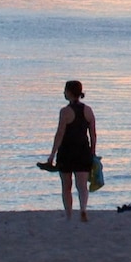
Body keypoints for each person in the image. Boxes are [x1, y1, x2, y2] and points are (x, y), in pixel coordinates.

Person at [44, 80, 97, 222]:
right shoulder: (88, 110)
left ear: (69, 92)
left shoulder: (65, 111)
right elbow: (93, 134)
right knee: (82, 185)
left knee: (66, 186)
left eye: (65, 90)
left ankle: (69, 216)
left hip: (67, 152)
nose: (63, 93)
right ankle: (83, 209)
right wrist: (93, 152)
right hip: (83, 151)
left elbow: (60, 134)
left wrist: (52, 155)